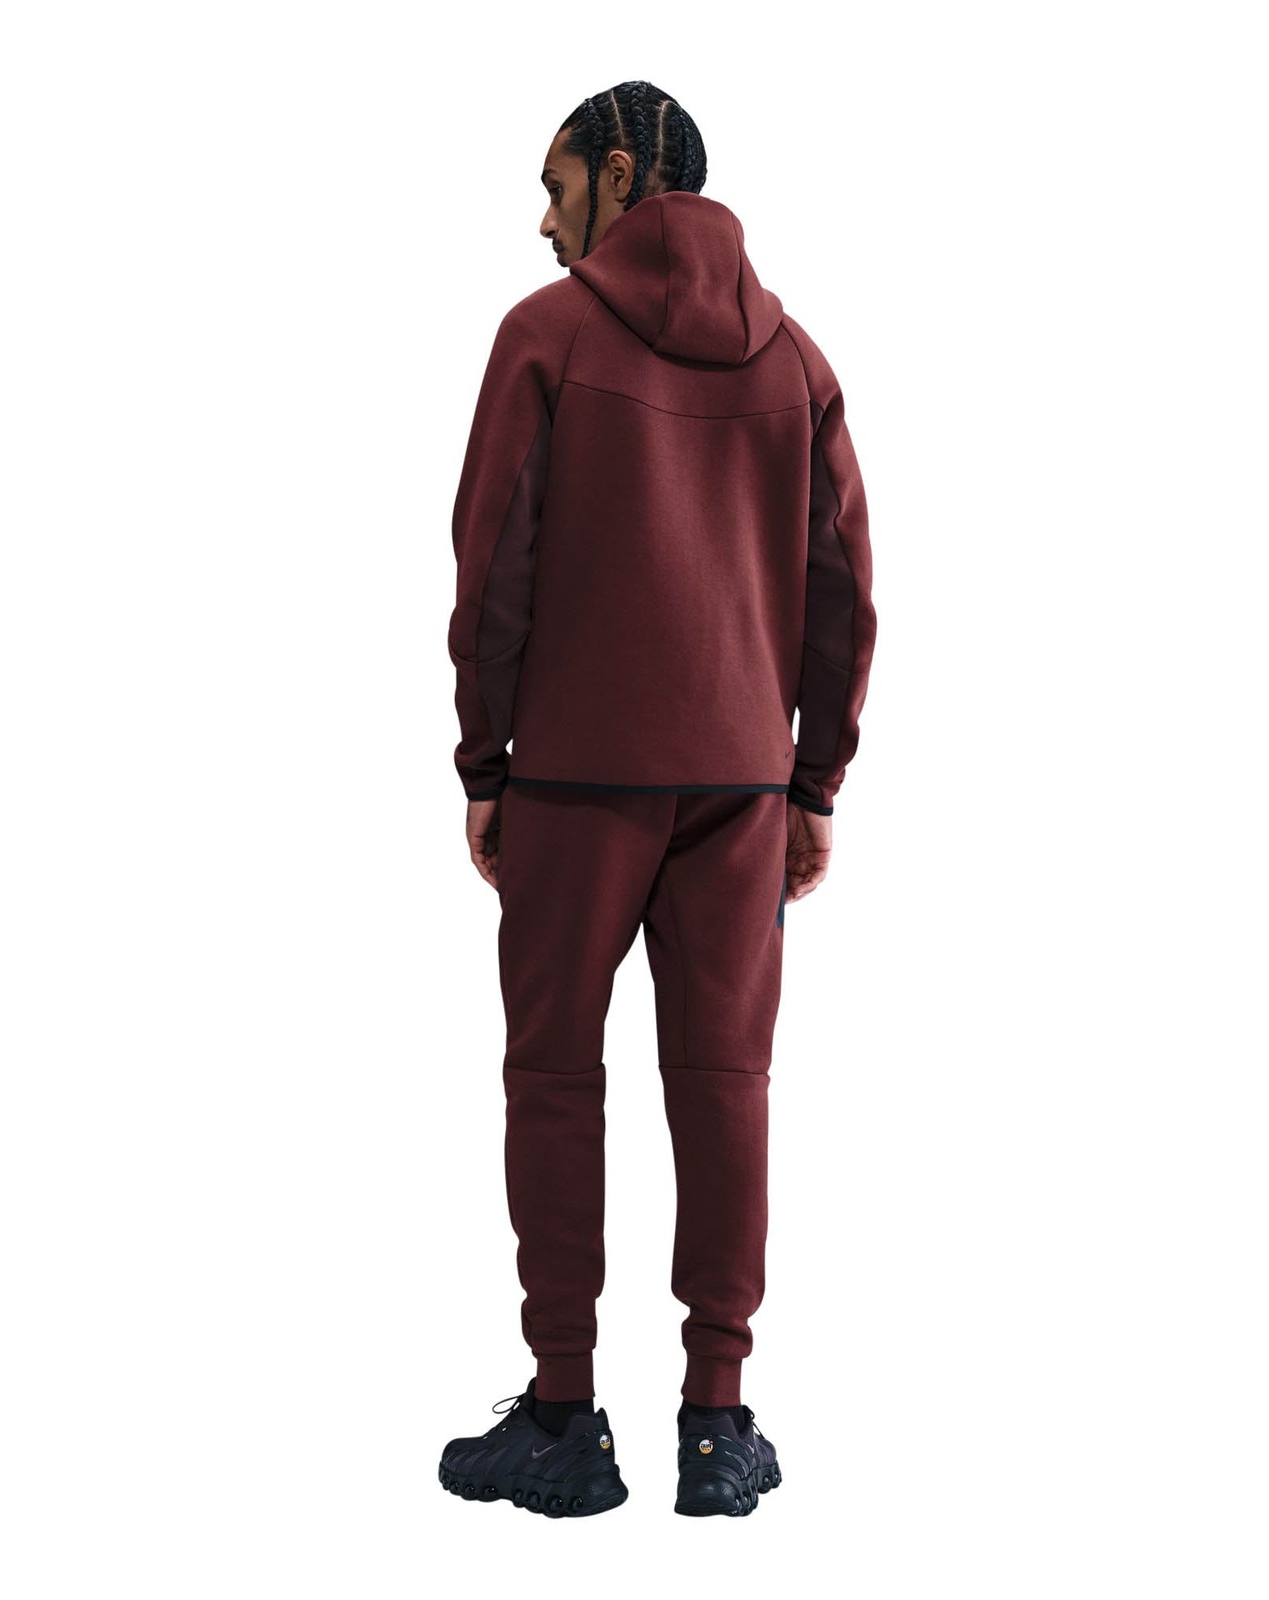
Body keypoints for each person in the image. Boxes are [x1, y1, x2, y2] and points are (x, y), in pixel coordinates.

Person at [437, 81, 877, 1520]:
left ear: (621, 174)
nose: (544, 218)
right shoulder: (796, 360)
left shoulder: (544, 335)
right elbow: (843, 586)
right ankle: (717, 1424)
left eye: (558, 183)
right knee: (727, 1088)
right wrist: (811, 778)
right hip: (740, 791)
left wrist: (484, 762)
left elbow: (493, 567)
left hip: (574, 780)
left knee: (556, 1081)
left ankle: (566, 1423)